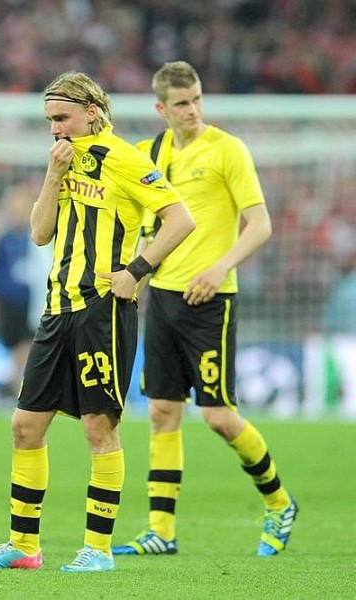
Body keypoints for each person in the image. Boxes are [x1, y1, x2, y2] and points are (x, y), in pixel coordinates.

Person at [0, 70, 194, 572]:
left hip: (102, 312)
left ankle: (98, 549)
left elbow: (181, 218)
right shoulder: (62, 160)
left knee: (98, 428)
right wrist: (51, 177)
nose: (55, 128)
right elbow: (40, 234)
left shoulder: (126, 159)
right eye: (49, 120)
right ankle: (24, 547)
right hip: (57, 309)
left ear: (92, 111)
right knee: (25, 426)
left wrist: (137, 271)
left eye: (62, 117)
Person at [111, 61, 297, 558]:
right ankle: (160, 531)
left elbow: (259, 224)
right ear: (161, 108)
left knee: (216, 415)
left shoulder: (228, 149)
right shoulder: (149, 153)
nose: (192, 110)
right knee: (162, 414)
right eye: (181, 103)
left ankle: (280, 503)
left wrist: (219, 268)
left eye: (196, 99)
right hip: (163, 298)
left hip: (212, 299)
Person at [0, 182, 37, 398]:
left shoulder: (39, 238)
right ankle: (17, 384)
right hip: (9, 303)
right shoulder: (5, 239)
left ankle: (16, 383)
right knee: (18, 345)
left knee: (29, 343)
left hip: (33, 303)